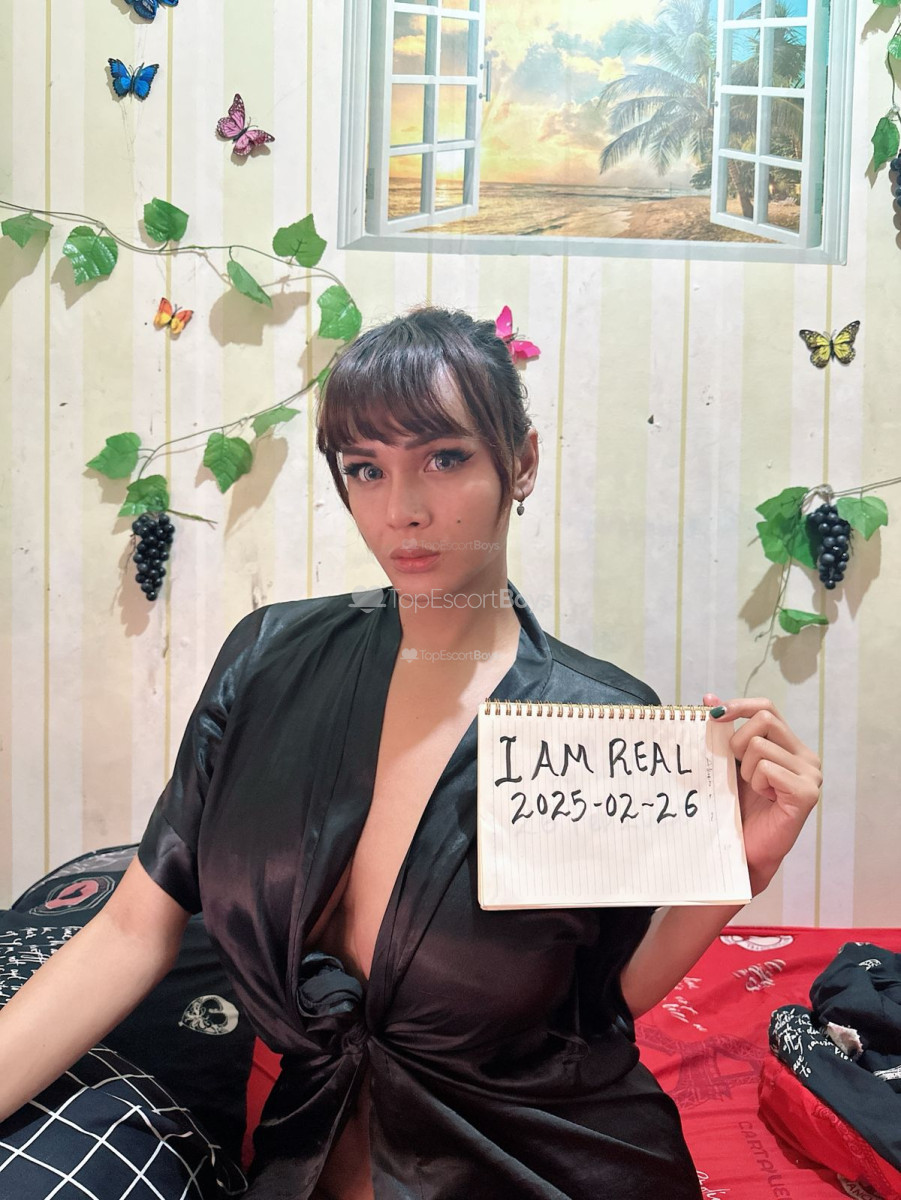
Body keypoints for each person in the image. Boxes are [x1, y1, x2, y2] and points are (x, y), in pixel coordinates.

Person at [0, 307, 822, 1199]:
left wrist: (737, 872)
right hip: (302, 1161)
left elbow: (597, 1006)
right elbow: (132, 929)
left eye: (444, 458)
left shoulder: (595, 725)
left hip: (542, 1167)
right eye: (366, 469)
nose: (403, 510)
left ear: (521, 462)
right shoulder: (268, 662)